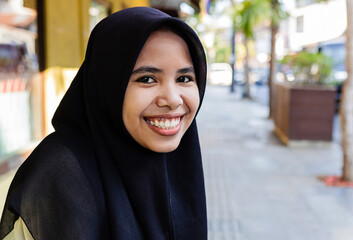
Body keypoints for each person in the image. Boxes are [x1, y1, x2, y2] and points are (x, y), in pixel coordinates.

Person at [0, 7, 207, 240]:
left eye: (184, 78)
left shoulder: (174, 160)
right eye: (147, 79)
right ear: (107, 85)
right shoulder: (61, 173)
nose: (172, 99)